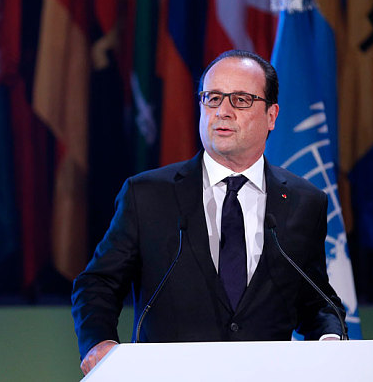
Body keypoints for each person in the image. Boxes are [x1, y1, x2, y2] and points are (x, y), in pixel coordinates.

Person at [71, 50, 346, 375]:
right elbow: (99, 283)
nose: (223, 112)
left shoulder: (304, 201)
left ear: (272, 115)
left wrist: (330, 336)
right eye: (213, 98)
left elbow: (315, 299)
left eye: (241, 100)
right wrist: (99, 340)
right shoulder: (147, 195)